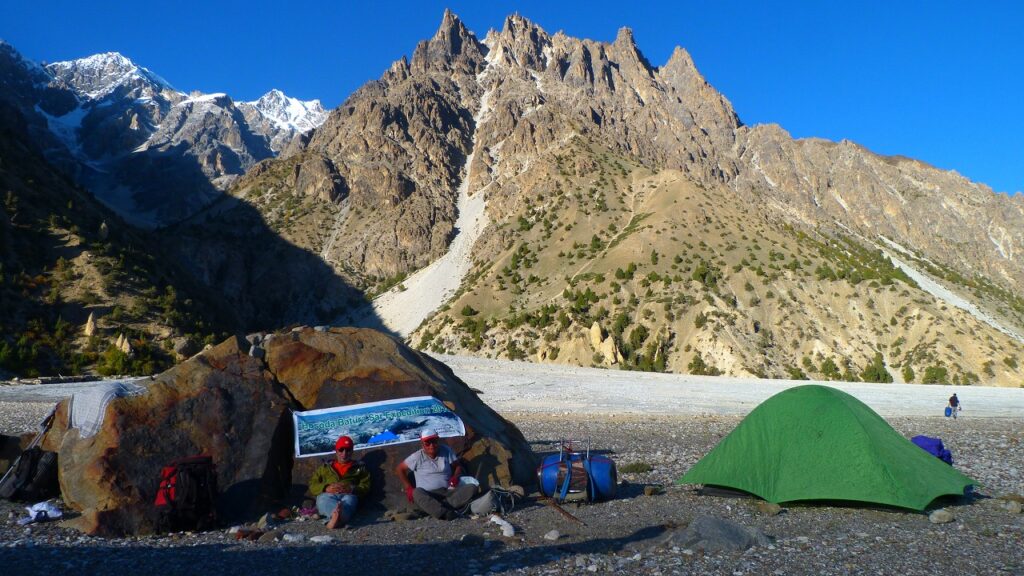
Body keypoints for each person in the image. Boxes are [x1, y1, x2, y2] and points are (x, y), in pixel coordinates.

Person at [395, 428, 477, 520]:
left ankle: (436, 508)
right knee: (417, 492)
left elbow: (457, 466)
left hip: (448, 492)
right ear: (422, 444)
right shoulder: (417, 456)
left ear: (438, 440)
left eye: (434, 442)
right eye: (427, 443)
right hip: (428, 494)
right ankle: (445, 513)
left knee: (472, 487)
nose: (432, 445)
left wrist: (455, 476)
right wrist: (408, 488)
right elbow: (399, 469)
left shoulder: (446, 450)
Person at [308, 435, 370, 528]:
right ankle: (339, 517)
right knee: (322, 499)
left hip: (348, 495)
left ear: (352, 451)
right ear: (336, 451)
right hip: (328, 495)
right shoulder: (325, 467)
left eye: (348, 450)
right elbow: (312, 484)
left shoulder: (360, 468)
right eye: (341, 450)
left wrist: (352, 489)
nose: (344, 453)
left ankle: (333, 520)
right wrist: (325, 487)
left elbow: (366, 486)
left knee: (349, 501)